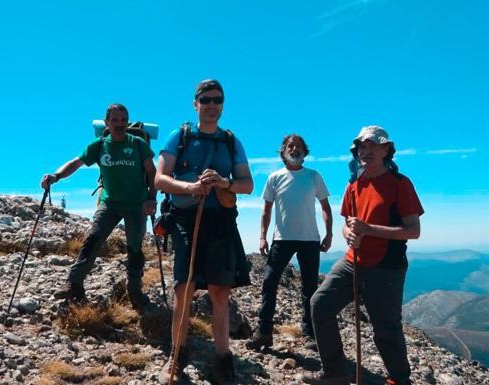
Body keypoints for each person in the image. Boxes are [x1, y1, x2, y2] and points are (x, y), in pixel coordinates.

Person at [302, 126, 423, 385]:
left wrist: (369, 230)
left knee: (385, 328)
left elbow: (413, 231)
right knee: (320, 305)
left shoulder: (400, 184)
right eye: (362, 147)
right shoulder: (355, 184)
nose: (366, 151)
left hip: (386, 267)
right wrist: (348, 233)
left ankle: (399, 380)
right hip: (352, 261)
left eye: (373, 146)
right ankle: (334, 373)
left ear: (386, 150)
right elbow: (348, 221)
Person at [155, 79, 253, 385]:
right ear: (195, 103)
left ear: (222, 104)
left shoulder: (231, 141)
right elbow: (159, 179)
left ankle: (223, 359)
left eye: (217, 100)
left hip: (220, 220)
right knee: (183, 288)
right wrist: (191, 187)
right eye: (206, 100)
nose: (212, 105)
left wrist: (223, 183)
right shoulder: (180, 136)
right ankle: (178, 354)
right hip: (185, 217)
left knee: (219, 291)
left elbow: (247, 185)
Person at [41, 103, 157, 311]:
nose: (119, 124)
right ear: (107, 123)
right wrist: (56, 176)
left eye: (123, 120)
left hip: (136, 205)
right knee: (92, 240)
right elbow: (76, 163)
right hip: (109, 203)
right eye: (115, 120)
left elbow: (151, 172)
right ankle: (74, 284)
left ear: (127, 122)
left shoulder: (138, 144)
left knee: (135, 249)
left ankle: (135, 291)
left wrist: (151, 198)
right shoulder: (99, 145)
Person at [247, 134, 332, 351]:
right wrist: (262, 236)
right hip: (281, 239)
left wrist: (329, 233)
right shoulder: (275, 177)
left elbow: (325, 207)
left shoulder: (313, 176)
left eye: (299, 146)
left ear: (305, 152)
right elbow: (266, 210)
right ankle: (264, 332)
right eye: (290, 146)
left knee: (310, 288)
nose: (294, 149)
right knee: (269, 282)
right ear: (283, 151)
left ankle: (309, 334)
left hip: (309, 240)